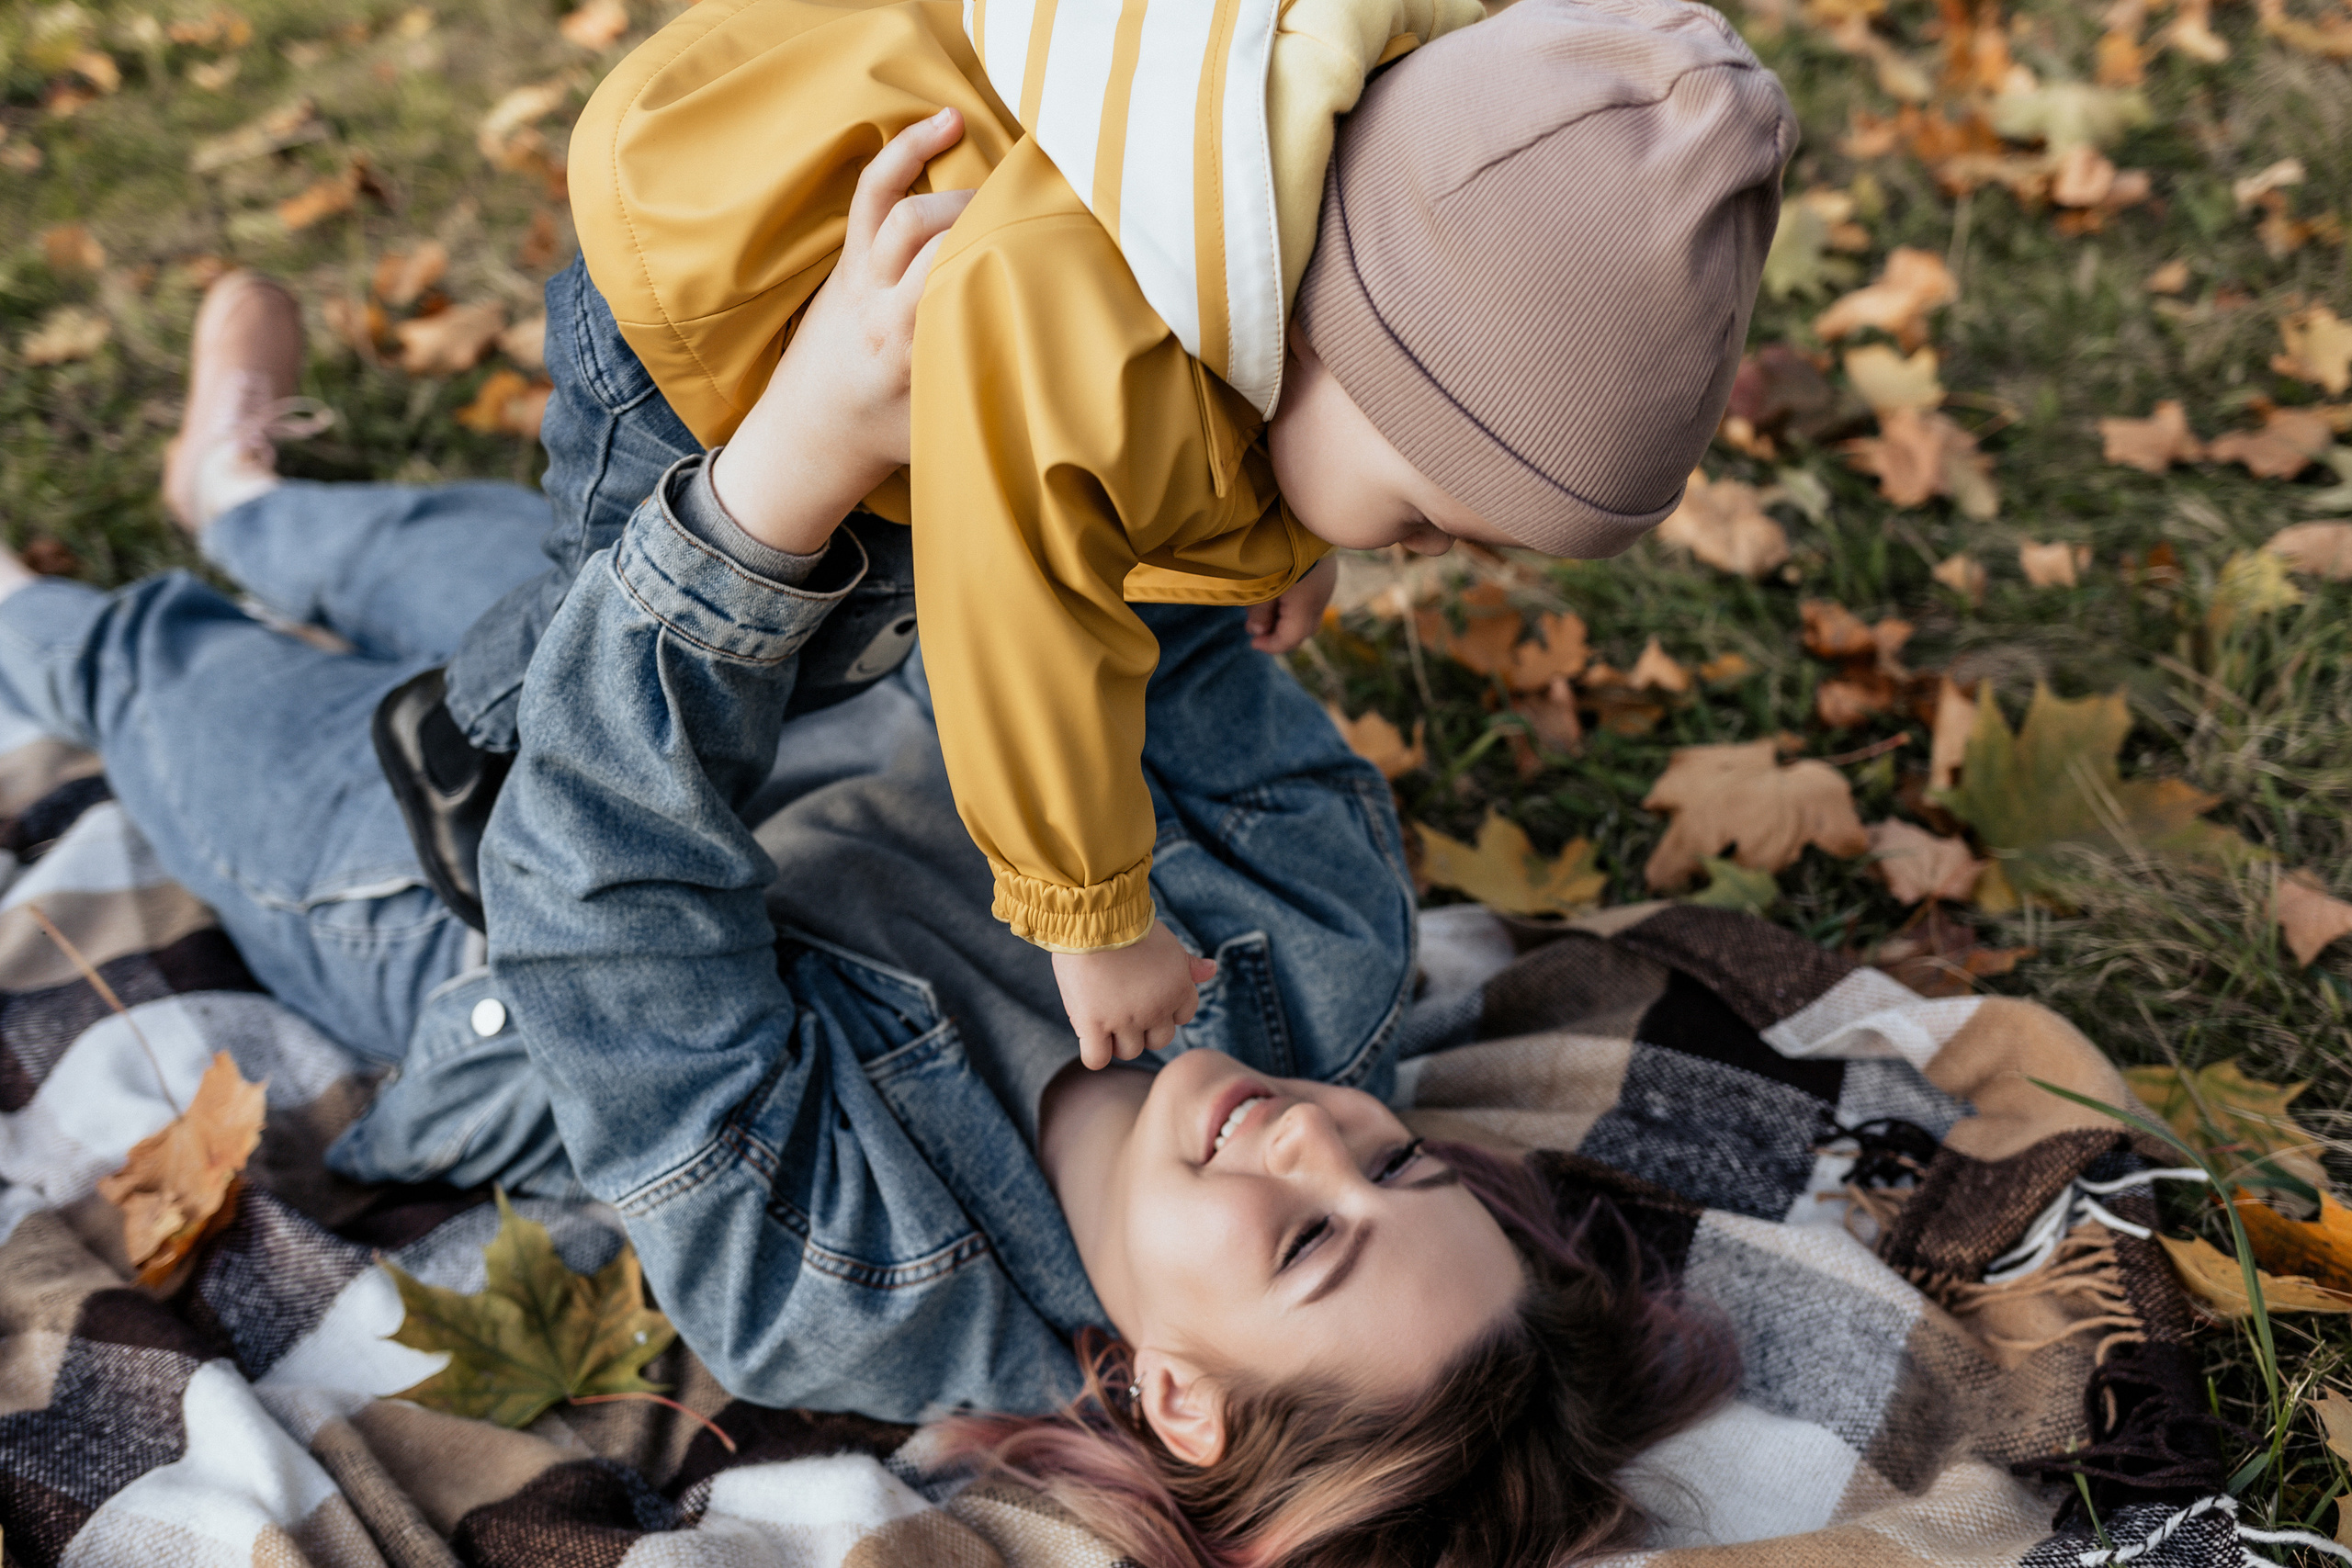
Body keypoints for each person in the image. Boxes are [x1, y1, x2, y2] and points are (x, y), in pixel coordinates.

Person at [0, 267, 1739, 1564]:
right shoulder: (1317, 936)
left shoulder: (858, 1276)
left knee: (160, 669)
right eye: (1399, 1164)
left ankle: (44, 600)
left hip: (450, 882)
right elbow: (1152, 623)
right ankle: (242, 494)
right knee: (421, 555)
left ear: (1183, 1397)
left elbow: (594, 877)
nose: (1315, 1143)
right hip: (819, 669)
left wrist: (782, 484)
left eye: (1305, 1243)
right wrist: (1240, 518)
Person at [385, 0, 1796, 1073]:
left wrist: (1308, 536)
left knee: (827, 621)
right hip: (713, 283)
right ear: (1337, 333)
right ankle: (471, 737)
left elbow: (1305, 406)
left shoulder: (1376, 202)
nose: (1423, 554)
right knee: (656, 599)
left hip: (918, 348)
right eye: (1423, 516)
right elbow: (1025, 608)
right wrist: (1092, 913)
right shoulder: (1091, 323)